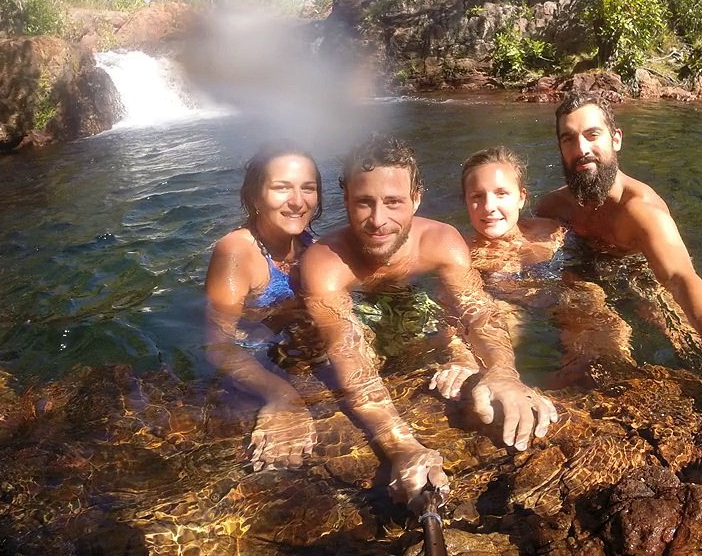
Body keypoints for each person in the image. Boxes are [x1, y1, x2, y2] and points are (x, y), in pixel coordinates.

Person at [298, 133, 558, 505]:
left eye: (393, 202)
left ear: (416, 199)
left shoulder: (441, 242)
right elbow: (347, 349)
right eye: (364, 203)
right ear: (346, 201)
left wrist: (502, 372)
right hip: (361, 313)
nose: (378, 220)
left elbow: (477, 311)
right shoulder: (326, 263)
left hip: (419, 306)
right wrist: (400, 444)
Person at [534, 91, 702, 435]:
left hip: (643, 273)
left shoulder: (641, 211)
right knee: (589, 361)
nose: (581, 148)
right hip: (583, 270)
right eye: (569, 138)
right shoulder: (552, 207)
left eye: (592, 134)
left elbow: (680, 277)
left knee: (685, 340)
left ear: (616, 139)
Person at [460, 146, 635, 385]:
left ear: (521, 197)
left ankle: (607, 378)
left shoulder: (551, 230)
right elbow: (454, 303)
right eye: (477, 196)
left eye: (501, 193)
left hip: (564, 295)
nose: (489, 206)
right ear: (466, 202)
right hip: (506, 305)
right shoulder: (462, 252)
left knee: (592, 307)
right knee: (489, 326)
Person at [204, 143, 323, 472]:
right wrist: (281, 394)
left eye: (308, 188)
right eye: (281, 188)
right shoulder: (235, 251)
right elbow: (218, 345)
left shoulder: (309, 243)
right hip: (252, 359)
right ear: (255, 197)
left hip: (289, 350)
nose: (298, 201)